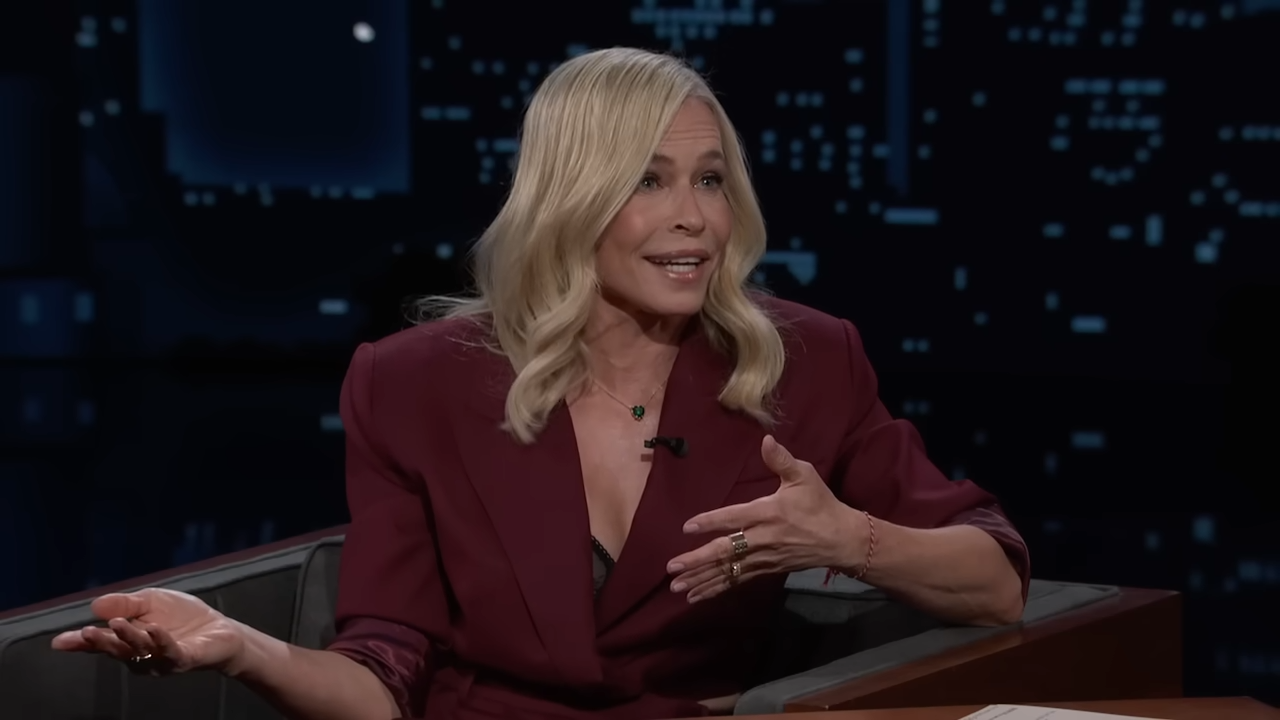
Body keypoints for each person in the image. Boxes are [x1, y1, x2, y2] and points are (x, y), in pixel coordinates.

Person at [51, 47, 1029, 720]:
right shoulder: (414, 384)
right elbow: (382, 675)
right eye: (647, 180)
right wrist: (240, 647)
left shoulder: (805, 360)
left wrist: (848, 539)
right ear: (571, 199)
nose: (694, 218)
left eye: (709, 179)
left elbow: (995, 585)